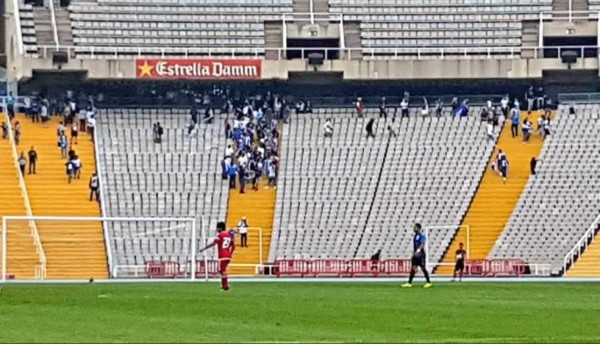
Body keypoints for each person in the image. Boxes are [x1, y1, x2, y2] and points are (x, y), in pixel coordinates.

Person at [199, 222, 235, 291]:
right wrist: (230, 253)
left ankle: (225, 286)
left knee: (222, 271)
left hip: (222, 256)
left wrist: (204, 248)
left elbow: (214, 243)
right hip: (228, 256)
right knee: (221, 270)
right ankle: (224, 285)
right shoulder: (229, 235)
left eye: (217, 228)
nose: (217, 229)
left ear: (220, 228)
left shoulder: (220, 235)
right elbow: (233, 245)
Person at [402, 223, 432, 288]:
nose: (414, 228)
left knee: (423, 268)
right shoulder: (415, 236)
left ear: (418, 228)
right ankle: (409, 283)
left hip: (421, 254)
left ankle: (428, 282)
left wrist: (419, 250)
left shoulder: (422, 235)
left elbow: (422, 243)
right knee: (413, 268)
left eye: (415, 227)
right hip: (416, 254)